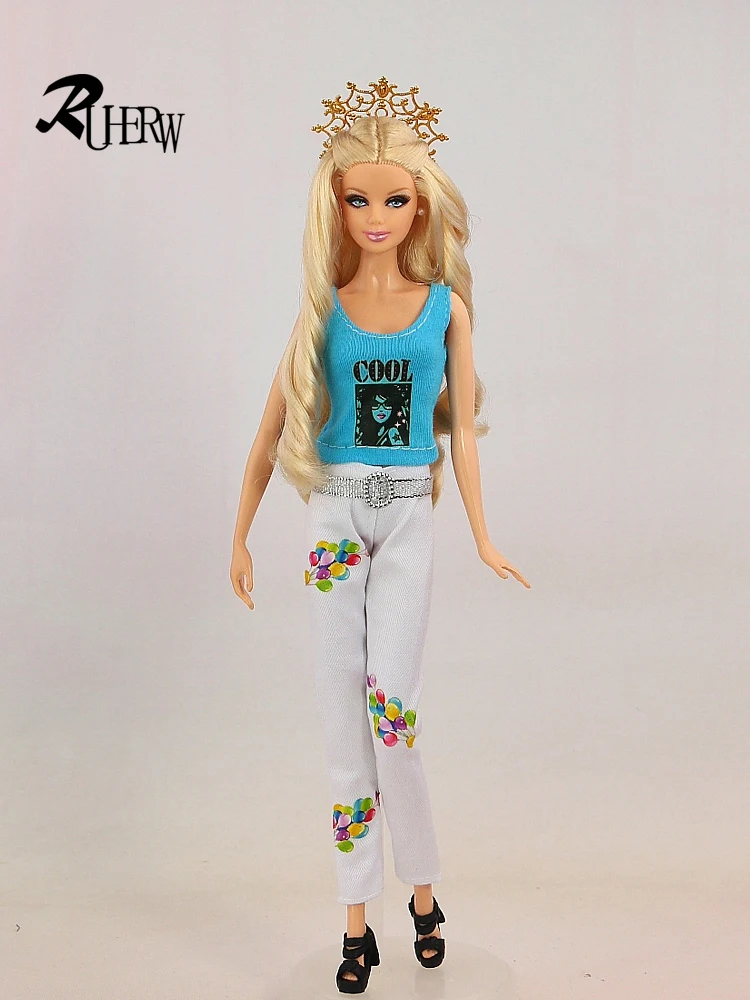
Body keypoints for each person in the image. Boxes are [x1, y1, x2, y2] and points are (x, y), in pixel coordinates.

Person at [230, 87, 530, 994]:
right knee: (341, 722)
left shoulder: (446, 310)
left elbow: (460, 431)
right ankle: (355, 919)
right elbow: (268, 427)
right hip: (333, 514)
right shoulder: (320, 314)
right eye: (358, 199)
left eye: (394, 199)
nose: (376, 216)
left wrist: (482, 534)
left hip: (405, 513)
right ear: (335, 204)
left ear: (421, 206)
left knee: (392, 713)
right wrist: (239, 534)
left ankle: (425, 893)